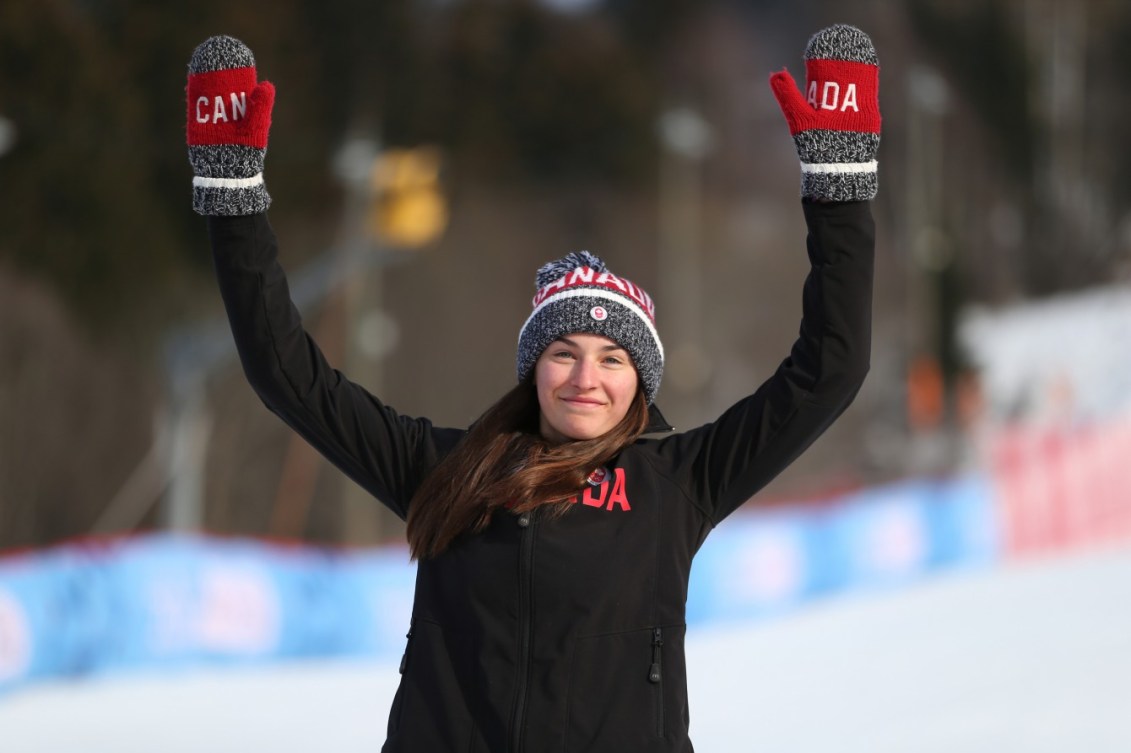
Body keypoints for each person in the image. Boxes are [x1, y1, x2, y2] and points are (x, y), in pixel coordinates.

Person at [185, 22, 879, 753]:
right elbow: (284, 372)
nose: (587, 378)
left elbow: (829, 369)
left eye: (613, 358)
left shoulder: (679, 484)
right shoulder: (446, 472)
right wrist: (234, 200)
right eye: (564, 352)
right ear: (531, 367)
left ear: (640, 380)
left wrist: (838, 190)